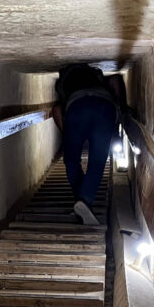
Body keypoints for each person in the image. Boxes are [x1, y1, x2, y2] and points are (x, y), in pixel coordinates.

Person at [51, 64, 125, 225]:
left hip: (77, 108)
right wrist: (121, 114)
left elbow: (56, 110)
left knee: (71, 161)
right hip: (105, 107)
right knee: (97, 161)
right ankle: (84, 200)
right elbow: (116, 79)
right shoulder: (98, 78)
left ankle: (82, 200)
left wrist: (68, 137)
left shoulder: (64, 84)